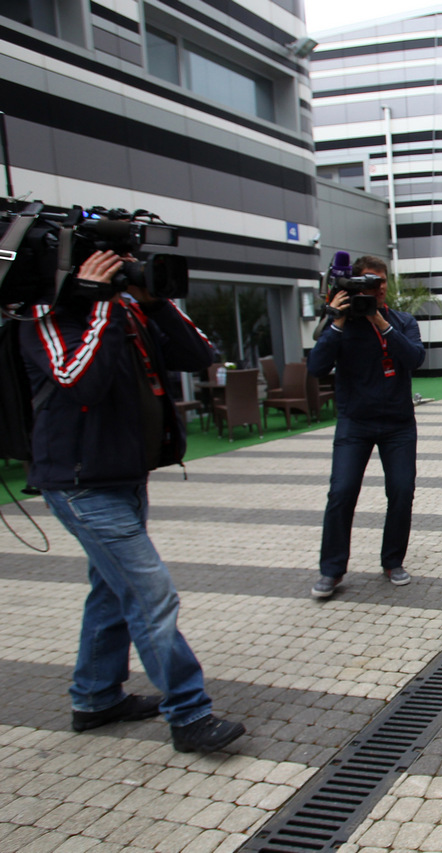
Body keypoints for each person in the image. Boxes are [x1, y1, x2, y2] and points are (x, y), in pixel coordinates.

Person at [20, 250, 246, 753]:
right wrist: (99, 304)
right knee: (150, 593)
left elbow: (198, 353)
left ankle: (95, 698)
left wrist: (156, 303)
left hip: (124, 476)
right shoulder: (44, 315)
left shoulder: (129, 308)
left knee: (110, 589)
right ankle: (189, 714)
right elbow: (79, 382)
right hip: (79, 484)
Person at [308, 255, 425, 598]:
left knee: (402, 492)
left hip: (398, 424)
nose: (376, 288)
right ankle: (331, 570)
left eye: (381, 282)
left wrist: (379, 321)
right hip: (354, 423)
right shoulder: (341, 326)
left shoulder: (401, 322)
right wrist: (337, 319)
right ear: (353, 285)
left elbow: (415, 358)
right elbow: (316, 367)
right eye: (368, 282)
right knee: (341, 493)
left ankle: (393, 561)